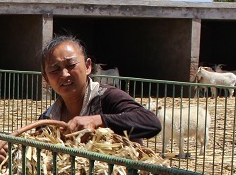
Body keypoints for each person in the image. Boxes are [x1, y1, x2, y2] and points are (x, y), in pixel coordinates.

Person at [33, 35, 161, 140]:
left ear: (88, 66)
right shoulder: (47, 120)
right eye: (55, 70)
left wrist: (98, 120)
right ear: (46, 79)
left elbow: (151, 122)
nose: (65, 74)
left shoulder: (107, 98)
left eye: (71, 65)